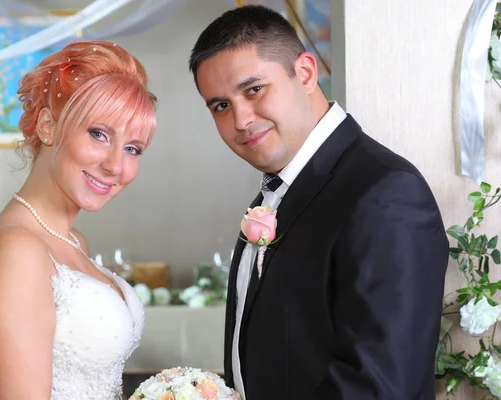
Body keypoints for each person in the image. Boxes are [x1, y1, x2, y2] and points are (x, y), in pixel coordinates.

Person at [189, 5, 448, 399]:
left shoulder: (384, 193)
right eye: (221, 106)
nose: (240, 119)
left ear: (306, 73)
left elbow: (378, 386)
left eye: (254, 89)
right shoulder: (277, 193)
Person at [0, 40, 157, 399]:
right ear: (48, 126)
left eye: (133, 148)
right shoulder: (13, 248)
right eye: (99, 134)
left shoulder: (72, 241)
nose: (116, 165)